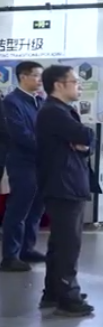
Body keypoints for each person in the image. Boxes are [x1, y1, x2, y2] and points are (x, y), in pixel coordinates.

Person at [35, 65, 101, 317]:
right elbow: (86, 135)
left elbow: (84, 143)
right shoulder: (53, 112)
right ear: (59, 84)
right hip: (63, 184)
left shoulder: (61, 111)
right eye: (75, 81)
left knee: (60, 242)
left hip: (66, 182)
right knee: (68, 244)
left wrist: (83, 144)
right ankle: (67, 296)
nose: (79, 85)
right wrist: (83, 140)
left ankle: (53, 291)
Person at [1, 61, 45, 272]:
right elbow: (19, 133)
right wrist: (45, 146)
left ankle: (27, 248)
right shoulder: (12, 102)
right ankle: (10, 255)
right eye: (36, 75)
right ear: (23, 77)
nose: (40, 80)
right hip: (22, 162)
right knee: (19, 209)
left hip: (41, 162)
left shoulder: (40, 101)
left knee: (36, 208)